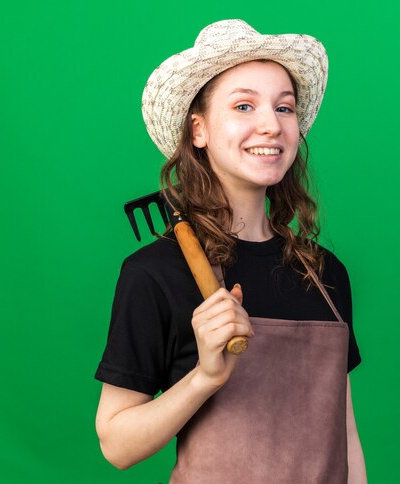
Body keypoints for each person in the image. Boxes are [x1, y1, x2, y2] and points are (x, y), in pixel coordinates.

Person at [95, 19, 367, 483]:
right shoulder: (156, 273)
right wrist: (205, 377)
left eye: (284, 108)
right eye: (244, 105)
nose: (271, 125)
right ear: (198, 130)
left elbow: (344, 434)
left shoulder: (325, 274)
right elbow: (117, 444)